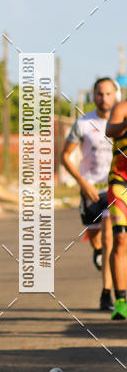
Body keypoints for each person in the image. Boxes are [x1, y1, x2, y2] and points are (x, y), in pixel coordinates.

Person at [61, 78, 116, 311]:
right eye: (99, 94)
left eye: (108, 94)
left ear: (116, 95)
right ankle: (99, 253)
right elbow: (65, 156)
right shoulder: (83, 124)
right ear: (93, 96)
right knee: (98, 242)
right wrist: (82, 183)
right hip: (91, 189)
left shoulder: (122, 122)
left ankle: (107, 293)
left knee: (109, 237)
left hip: (115, 188)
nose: (104, 99)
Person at [106, 94, 127, 320]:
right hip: (121, 181)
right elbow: (109, 130)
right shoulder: (123, 107)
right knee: (120, 237)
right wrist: (124, 124)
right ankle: (121, 300)